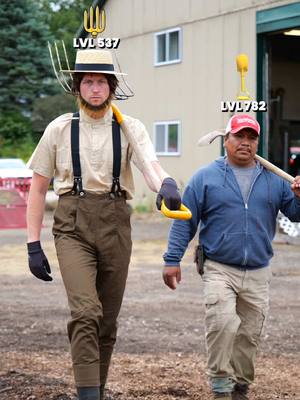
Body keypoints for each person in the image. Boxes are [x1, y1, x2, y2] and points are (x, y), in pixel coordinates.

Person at [26, 49, 181, 400]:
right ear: (77, 87)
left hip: (116, 223)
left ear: (112, 87)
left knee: (106, 322)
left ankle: (96, 387)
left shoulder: (130, 128)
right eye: (88, 82)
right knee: (86, 312)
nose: (95, 89)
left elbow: (151, 168)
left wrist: (167, 186)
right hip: (72, 224)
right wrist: (33, 245)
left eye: (101, 82)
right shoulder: (59, 129)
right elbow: (37, 190)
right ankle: (88, 395)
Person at [162, 114, 300, 400]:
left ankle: (240, 385)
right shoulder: (205, 178)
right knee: (222, 324)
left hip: (259, 270)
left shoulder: (273, 180)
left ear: (257, 143)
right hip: (218, 267)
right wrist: (172, 259)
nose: (245, 143)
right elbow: (184, 221)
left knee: (249, 335)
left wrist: (299, 196)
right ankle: (221, 387)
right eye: (239, 136)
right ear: (226, 140)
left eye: (251, 138)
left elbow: (296, 215)